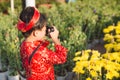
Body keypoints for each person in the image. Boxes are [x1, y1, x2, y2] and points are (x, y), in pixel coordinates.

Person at [17, 7, 67, 80]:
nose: (46, 30)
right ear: (36, 33)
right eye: (44, 29)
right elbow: (62, 58)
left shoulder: (24, 44)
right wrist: (56, 40)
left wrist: (43, 35)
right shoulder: (41, 52)